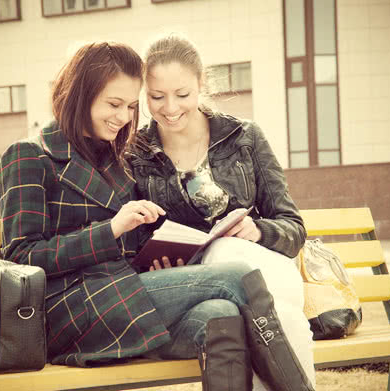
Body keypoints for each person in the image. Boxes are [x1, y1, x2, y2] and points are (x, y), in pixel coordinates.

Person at [0, 41, 313, 391]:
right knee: (236, 277)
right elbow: (20, 256)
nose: (124, 117)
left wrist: (158, 260)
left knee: (220, 316)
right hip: (69, 310)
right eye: (114, 104)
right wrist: (112, 229)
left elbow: (134, 249)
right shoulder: (29, 155)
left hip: (123, 296)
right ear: (79, 95)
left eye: (132, 107)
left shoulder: (118, 157)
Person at [127, 33, 317, 390]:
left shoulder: (245, 136)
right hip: (200, 291)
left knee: (230, 253)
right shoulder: (135, 153)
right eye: (156, 97)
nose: (170, 107)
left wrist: (258, 231)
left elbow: (293, 228)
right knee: (279, 318)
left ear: (201, 84)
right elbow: (134, 242)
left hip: (267, 271)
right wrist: (160, 266)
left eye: (182, 94)